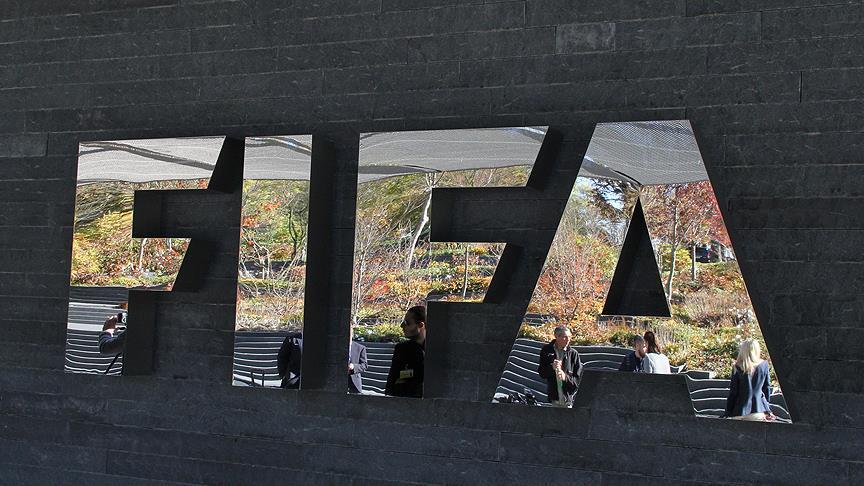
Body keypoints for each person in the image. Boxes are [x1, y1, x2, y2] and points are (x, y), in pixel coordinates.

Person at [724, 339, 774, 421]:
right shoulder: (764, 365)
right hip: (757, 409)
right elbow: (766, 388)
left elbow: (733, 392)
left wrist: (728, 411)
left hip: (739, 410)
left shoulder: (737, 367)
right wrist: (767, 408)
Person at [385, 305, 426, 398]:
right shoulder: (401, 348)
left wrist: (409, 375)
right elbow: (393, 378)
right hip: (405, 398)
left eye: (407, 323)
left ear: (421, 325)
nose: (402, 326)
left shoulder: (435, 349)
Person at [537, 325, 583, 407]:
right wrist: (552, 368)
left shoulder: (573, 353)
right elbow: (542, 373)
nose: (568, 339)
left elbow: (578, 379)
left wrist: (565, 377)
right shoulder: (546, 350)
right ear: (556, 336)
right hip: (553, 399)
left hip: (568, 400)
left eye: (569, 337)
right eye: (565, 337)